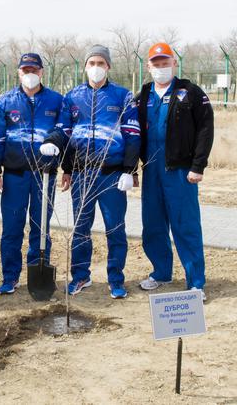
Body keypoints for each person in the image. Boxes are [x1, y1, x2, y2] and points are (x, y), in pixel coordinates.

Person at [43, 45, 140, 299]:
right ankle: (80, 276)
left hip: (112, 175)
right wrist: (61, 157)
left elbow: (133, 135)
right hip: (82, 175)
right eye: (92, 63)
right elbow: (65, 131)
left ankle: (116, 279)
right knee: (81, 228)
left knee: (115, 228)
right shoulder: (72, 97)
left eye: (101, 63)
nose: (96, 67)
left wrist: (129, 170)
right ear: (85, 67)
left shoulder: (123, 96)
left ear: (108, 66)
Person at [136, 42, 214, 301]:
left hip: (180, 172)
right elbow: (132, 132)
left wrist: (198, 166)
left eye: (165, 63)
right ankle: (161, 273)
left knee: (185, 226)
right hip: (151, 170)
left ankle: (196, 283)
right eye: (156, 64)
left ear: (174, 63)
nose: (161, 68)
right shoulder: (143, 96)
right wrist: (130, 168)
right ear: (148, 67)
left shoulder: (190, 92)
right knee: (153, 225)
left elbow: (205, 129)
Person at [0, 53, 65, 295]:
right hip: (15, 175)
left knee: (41, 228)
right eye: (25, 70)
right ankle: (10, 277)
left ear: (41, 72)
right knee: (12, 227)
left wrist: (54, 142)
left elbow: (63, 130)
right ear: (19, 72)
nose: (30, 74)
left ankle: (36, 274)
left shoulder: (56, 100)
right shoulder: (6, 101)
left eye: (34, 69)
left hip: (44, 175)